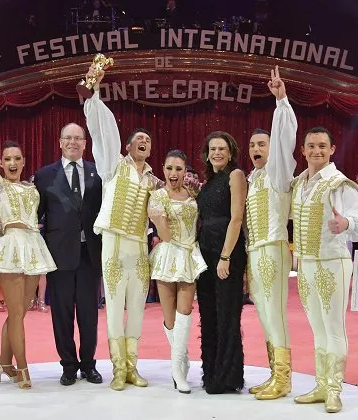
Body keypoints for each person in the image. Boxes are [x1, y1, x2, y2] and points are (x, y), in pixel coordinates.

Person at [0, 90, 56, 390]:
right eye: (7, 159)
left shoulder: (32, 188)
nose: (12, 163)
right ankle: (23, 369)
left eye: (17, 158)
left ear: (23, 161)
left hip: (33, 247)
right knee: (16, 313)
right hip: (11, 246)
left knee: (20, 313)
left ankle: (4, 362)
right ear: (1, 164)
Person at [84, 65, 162, 391]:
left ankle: (132, 366)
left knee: (139, 308)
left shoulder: (155, 180)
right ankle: (117, 368)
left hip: (139, 246)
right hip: (115, 243)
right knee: (115, 305)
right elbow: (103, 133)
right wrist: (96, 93)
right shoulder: (113, 166)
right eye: (138, 139)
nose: (143, 141)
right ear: (127, 147)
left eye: (148, 139)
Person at [291, 126, 358, 413]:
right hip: (306, 264)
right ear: (303, 150)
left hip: (332, 263)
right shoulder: (299, 183)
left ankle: (335, 389)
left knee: (334, 327)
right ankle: (322, 385)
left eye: (322, 146)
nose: (317, 151)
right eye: (311, 146)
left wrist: (345, 224)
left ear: (332, 149)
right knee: (317, 329)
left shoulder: (340, 184)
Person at [34, 122, 103, 386]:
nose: (73, 142)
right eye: (68, 138)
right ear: (60, 142)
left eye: (78, 138)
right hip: (59, 256)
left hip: (90, 254)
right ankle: (68, 365)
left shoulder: (99, 174)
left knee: (89, 314)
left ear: (85, 144)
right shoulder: (44, 176)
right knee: (61, 314)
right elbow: (36, 215)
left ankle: (88, 364)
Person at [245, 66, 297, 400]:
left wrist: (281, 102)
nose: (256, 148)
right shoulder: (252, 179)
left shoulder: (278, 172)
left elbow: (284, 141)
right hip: (255, 252)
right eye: (252, 145)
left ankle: (284, 378)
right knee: (263, 312)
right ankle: (272, 374)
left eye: (262, 143)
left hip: (274, 248)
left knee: (275, 312)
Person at [148, 149, 207, 394]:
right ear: (163, 169)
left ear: (185, 171)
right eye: (170, 168)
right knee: (170, 317)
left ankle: (178, 370)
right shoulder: (157, 196)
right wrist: (159, 220)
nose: (174, 173)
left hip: (189, 256)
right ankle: (179, 363)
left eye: (179, 169)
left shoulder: (193, 193)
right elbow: (166, 235)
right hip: (167, 255)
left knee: (185, 311)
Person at [196, 131, 247, 394]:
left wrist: (225, 256)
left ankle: (227, 377)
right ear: (207, 153)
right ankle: (212, 373)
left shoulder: (235, 176)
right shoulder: (209, 181)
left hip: (226, 252)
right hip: (205, 252)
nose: (217, 153)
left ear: (230, 152)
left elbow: (236, 218)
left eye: (222, 149)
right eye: (212, 149)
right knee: (209, 313)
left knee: (227, 313)